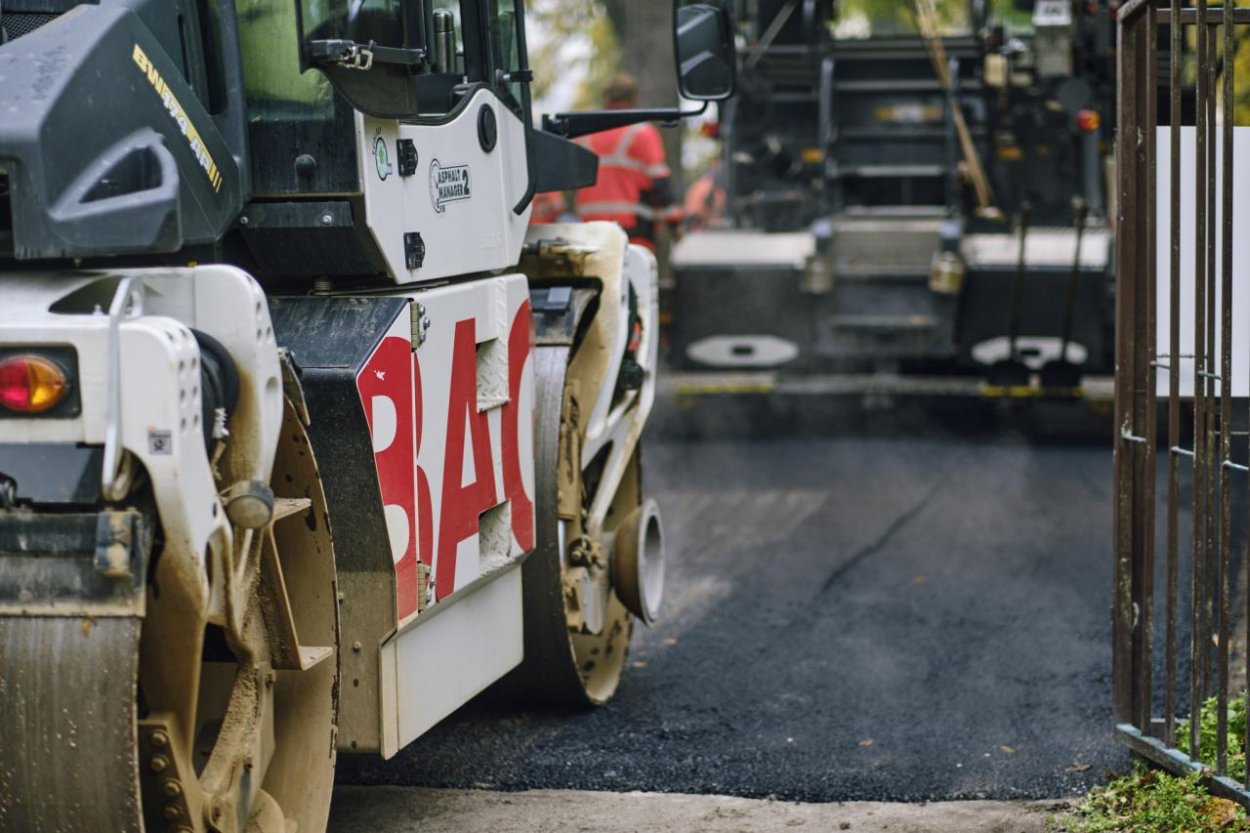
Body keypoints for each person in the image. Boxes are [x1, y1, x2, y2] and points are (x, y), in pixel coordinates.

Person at [573, 72, 681, 252]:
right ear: (634, 97)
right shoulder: (642, 133)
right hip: (632, 236)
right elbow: (660, 186)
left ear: (606, 97)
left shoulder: (584, 134)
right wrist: (676, 224)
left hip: (590, 236)